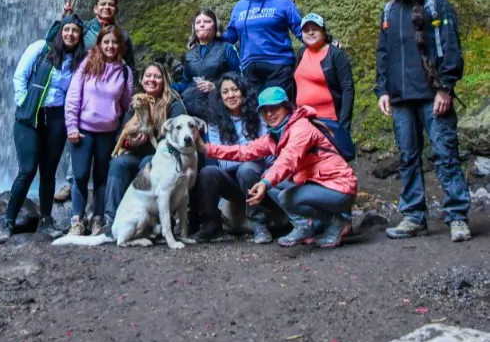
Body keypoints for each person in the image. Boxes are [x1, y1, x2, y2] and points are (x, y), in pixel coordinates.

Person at [376, 0, 471, 242]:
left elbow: (450, 46)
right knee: (408, 157)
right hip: (400, 98)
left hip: (432, 95)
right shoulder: (389, 11)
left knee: (445, 154)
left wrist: (445, 88)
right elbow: (383, 54)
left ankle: (457, 216)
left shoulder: (435, 5)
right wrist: (382, 90)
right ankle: (413, 217)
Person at [200, 87, 357, 248]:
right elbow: (244, 151)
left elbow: (288, 159)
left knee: (287, 197)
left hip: (339, 188)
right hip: (317, 183)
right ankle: (304, 225)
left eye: (275, 108)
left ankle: (336, 222)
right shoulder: (275, 135)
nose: (269, 114)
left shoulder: (301, 128)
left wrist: (265, 183)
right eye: (264, 111)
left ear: (286, 107)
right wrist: (207, 149)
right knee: (268, 176)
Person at [0, 15, 87, 243]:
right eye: (66, 29)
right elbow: (20, 75)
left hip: (57, 119)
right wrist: (24, 101)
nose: (70, 34)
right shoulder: (41, 48)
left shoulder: (79, 60)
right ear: (60, 31)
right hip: (30, 117)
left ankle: (45, 220)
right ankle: (8, 221)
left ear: (80, 36)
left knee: (48, 172)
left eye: (75, 31)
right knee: (27, 170)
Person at [49, 0, 135, 204]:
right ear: (95, 8)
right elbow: (57, 42)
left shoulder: (122, 36)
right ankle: (71, 182)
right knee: (76, 133)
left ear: (116, 9)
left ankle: (100, 199)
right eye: (103, 4)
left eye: (111, 5)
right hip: (79, 88)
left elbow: (129, 67)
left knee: (101, 148)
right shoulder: (84, 28)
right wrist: (63, 19)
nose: (107, 7)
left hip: (107, 96)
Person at [100, 61, 186, 233]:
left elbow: (179, 135)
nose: (151, 80)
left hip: (163, 158)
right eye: (148, 76)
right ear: (142, 79)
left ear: (164, 80)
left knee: (148, 163)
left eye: (157, 76)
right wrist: (129, 143)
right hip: (135, 153)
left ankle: (154, 222)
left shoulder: (174, 104)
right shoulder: (137, 101)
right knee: (118, 164)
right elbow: (122, 133)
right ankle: (111, 220)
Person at [65, 24, 133, 236]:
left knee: (102, 176)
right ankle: (77, 220)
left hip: (108, 132)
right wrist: (71, 126)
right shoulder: (87, 64)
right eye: (106, 42)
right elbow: (73, 96)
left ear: (120, 45)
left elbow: (127, 104)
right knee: (80, 175)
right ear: (100, 44)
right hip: (83, 130)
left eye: (114, 42)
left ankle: (98, 218)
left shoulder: (125, 71)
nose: (110, 46)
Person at [195, 74, 277, 245]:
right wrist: (250, 152)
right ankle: (211, 224)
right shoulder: (215, 122)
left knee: (247, 168)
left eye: (235, 90)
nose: (230, 95)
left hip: (259, 181)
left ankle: (259, 224)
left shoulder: (258, 115)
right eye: (225, 92)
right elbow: (223, 163)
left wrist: (244, 155)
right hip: (234, 183)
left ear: (243, 91)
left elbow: (268, 154)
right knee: (208, 172)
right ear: (220, 97)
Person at [222, 0, 302, 98]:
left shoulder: (282, 2)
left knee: (277, 107)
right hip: (250, 69)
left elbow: (301, 29)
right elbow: (230, 36)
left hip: (279, 66)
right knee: (253, 108)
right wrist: (205, 40)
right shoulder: (240, 7)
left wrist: (327, 41)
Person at [174, 9, 241, 119]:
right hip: (190, 112)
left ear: (216, 26)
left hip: (217, 110)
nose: (202, 25)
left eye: (207, 21)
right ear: (194, 28)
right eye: (198, 22)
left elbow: (239, 79)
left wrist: (215, 87)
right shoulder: (189, 54)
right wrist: (168, 87)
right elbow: (186, 82)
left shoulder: (227, 49)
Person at [294, 13, 354, 130]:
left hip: (329, 120)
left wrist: (343, 126)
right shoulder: (301, 53)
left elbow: (348, 88)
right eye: (306, 30)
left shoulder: (336, 54)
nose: (310, 33)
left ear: (323, 31)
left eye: (315, 29)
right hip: (303, 119)